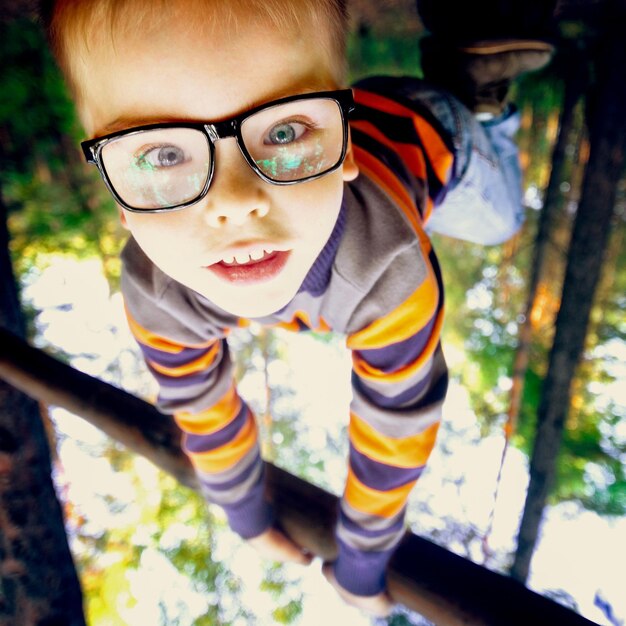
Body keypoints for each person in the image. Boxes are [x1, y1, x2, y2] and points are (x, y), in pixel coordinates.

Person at [43, 0, 552, 617]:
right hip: (370, 123)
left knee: (502, 221)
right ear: (115, 192)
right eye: (162, 155)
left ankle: (481, 99)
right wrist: (244, 511)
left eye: (283, 131)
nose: (234, 204)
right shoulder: (158, 290)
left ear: (342, 147)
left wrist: (364, 558)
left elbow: (397, 422)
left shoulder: (388, 267)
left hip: (428, 132)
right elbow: (200, 408)